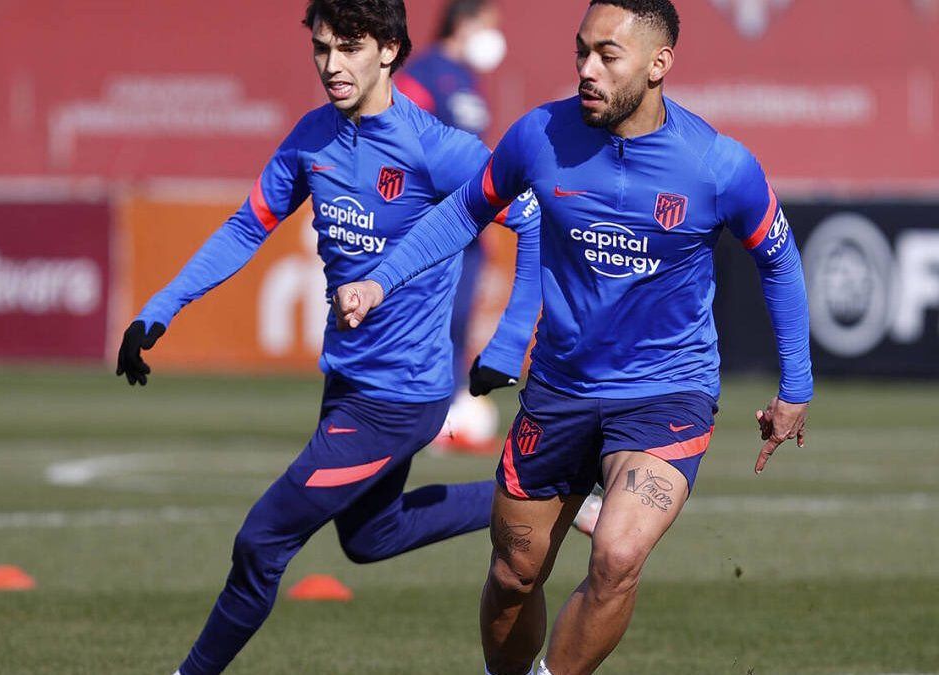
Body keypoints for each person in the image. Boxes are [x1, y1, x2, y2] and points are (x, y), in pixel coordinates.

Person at [332, 1, 813, 673]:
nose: (586, 70)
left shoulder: (718, 165)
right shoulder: (538, 137)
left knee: (616, 554)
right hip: (558, 390)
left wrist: (797, 385)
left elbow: (780, 262)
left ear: (657, 64)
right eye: (581, 51)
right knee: (513, 573)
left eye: (607, 57)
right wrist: (381, 280)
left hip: (665, 392)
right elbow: (464, 212)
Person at [114, 1, 541, 673]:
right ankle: (539, 496)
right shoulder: (313, 137)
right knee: (373, 535)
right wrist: (162, 308)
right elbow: (246, 226)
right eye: (321, 49)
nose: (332, 65)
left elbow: (533, 215)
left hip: (399, 396)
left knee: (262, 539)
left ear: (391, 50)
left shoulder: (438, 149)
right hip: (349, 379)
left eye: (349, 47)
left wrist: (512, 337)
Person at [397, 0, 510, 453]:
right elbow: (399, 135)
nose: (496, 37)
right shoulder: (424, 73)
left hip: (469, 225)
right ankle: (421, 413)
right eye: (490, 25)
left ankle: (450, 408)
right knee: (433, 320)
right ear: (465, 23)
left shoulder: (470, 80)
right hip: (431, 223)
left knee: (461, 319)